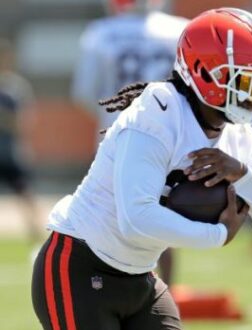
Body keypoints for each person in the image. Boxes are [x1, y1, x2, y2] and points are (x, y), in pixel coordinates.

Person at [31, 8, 252, 329]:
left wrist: (244, 176)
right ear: (206, 71)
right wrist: (217, 235)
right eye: (248, 81)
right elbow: (136, 218)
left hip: (140, 277)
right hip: (81, 267)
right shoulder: (158, 111)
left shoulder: (240, 138)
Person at [71, 0, 189, 285]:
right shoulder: (180, 29)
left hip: (116, 137)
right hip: (166, 138)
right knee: (163, 218)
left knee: (110, 219)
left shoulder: (101, 32)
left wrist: (109, 115)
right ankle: (165, 294)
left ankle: (112, 290)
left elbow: (84, 92)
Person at [0, 39, 41, 244]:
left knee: (24, 193)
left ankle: (35, 234)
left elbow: (23, 122)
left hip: (9, 151)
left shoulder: (15, 88)